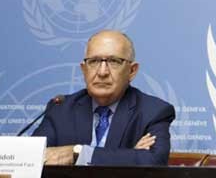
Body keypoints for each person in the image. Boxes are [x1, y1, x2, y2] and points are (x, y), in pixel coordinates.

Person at [33, 30, 175, 166]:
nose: (102, 72)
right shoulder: (61, 108)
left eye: (114, 61)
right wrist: (129, 156)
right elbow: (31, 157)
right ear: (84, 70)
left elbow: (153, 161)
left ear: (132, 71)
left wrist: (78, 154)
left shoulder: (153, 112)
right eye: (94, 61)